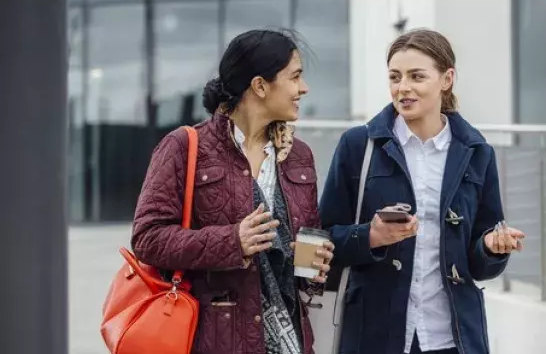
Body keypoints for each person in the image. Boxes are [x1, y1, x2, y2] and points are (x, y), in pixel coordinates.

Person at [320, 28, 525, 354]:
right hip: (375, 335)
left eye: (417, 76)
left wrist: (492, 247)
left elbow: (480, 264)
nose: (403, 88)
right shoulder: (358, 146)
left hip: (453, 338)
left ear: (447, 79)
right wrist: (370, 237)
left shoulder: (477, 153)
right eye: (395, 77)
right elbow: (324, 238)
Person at [131, 29, 334, 354]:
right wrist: (232, 241)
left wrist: (313, 265)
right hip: (216, 340)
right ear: (260, 85)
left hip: (291, 340)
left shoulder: (299, 155)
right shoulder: (184, 147)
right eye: (295, 77)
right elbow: (147, 238)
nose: (304, 88)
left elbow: (306, 246)